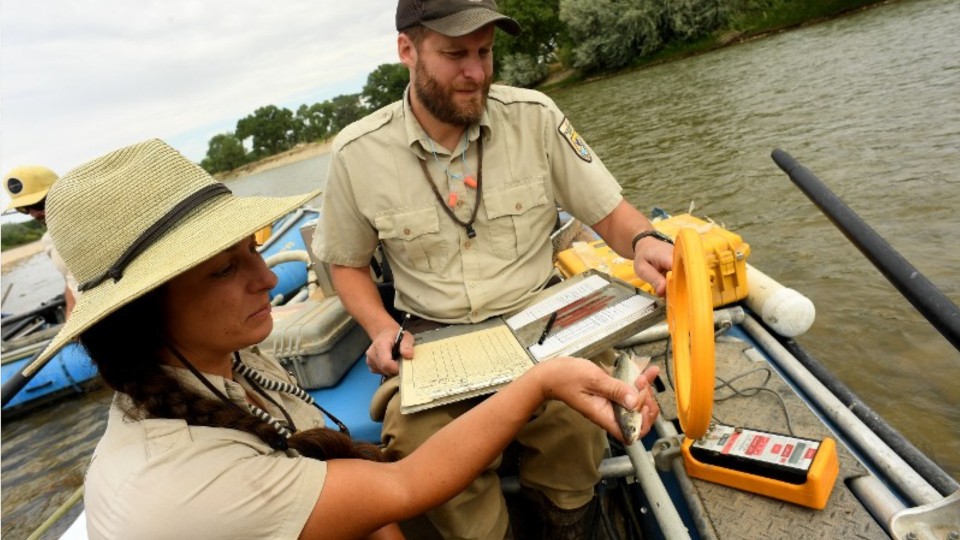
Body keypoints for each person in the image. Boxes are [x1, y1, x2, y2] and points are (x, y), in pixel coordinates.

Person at [33, 139, 661, 540]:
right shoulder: (189, 487)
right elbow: (405, 487)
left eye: (252, 250)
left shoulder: (214, 360)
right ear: (141, 315)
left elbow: (348, 492)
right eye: (224, 269)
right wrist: (544, 379)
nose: (268, 276)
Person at [312, 0, 675, 537]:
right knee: (418, 444)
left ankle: (568, 521)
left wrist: (644, 240)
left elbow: (611, 214)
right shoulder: (356, 153)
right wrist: (382, 327)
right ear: (407, 50)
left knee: (578, 421)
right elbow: (346, 266)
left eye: (485, 52)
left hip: (544, 325)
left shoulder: (537, 117)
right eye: (455, 53)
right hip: (437, 340)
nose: (476, 72)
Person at [3, 165, 80, 317]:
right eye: (25, 209)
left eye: (38, 204)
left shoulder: (100, 223)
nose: (33, 214)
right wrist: (70, 321)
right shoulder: (49, 241)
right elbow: (71, 280)